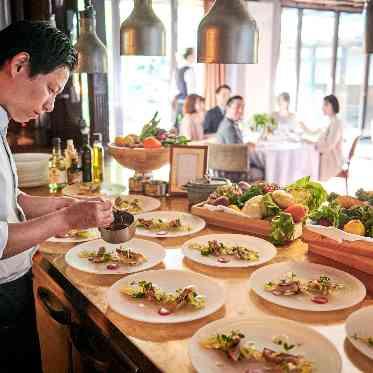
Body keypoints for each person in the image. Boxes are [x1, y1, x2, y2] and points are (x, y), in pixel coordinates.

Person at [0, 21, 114, 373]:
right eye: (50, 88)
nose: (50, 105)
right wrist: (64, 220)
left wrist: (39, 205)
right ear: (19, 65)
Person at [216, 96, 264, 180]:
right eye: (237, 107)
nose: (241, 110)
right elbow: (236, 153)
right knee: (263, 169)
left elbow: (235, 147)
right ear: (228, 108)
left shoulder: (229, 123)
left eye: (243, 107)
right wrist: (246, 146)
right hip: (232, 172)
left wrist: (246, 145)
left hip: (230, 168)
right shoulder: (228, 127)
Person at [316, 94, 344, 181]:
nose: (323, 107)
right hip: (328, 156)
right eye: (323, 105)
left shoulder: (336, 123)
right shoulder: (331, 122)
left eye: (326, 105)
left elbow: (329, 145)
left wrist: (315, 146)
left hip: (333, 160)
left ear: (334, 106)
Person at [173, 48, 197, 129]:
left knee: (178, 126)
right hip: (187, 103)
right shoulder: (190, 70)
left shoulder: (178, 70)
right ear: (189, 56)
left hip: (179, 102)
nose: (195, 58)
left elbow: (175, 89)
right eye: (194, 55)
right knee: (187, 127)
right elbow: (191, 90)